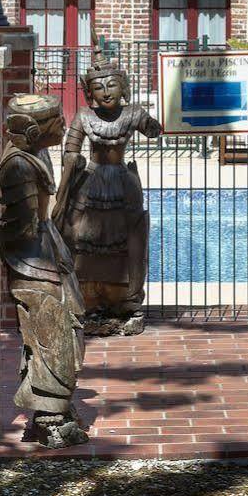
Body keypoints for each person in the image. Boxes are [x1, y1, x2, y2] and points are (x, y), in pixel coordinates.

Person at [0, 93, 87, 447]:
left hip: (48, 253)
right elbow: (22, 228)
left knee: (67, 329)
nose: (64, 125)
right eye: (56, 122)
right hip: (35, 264)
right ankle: (49, 415)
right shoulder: (19, 166)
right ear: (33, 130)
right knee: (51, 335)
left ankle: (56, 406)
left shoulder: (37, 154)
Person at [53, 55, 162, 336]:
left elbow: (152, 129)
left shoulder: (133, 113)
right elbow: (71, 151)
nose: (106, 92)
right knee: (83, 240)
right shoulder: (84, 116)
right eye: (99, 87)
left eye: (112, 85)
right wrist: (65, 187)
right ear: (90, 93)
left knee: (127, 241)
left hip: (122, 183)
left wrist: (155, 125)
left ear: (123, 87)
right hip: (90, 181)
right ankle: (89, 298)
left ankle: (124, 299)